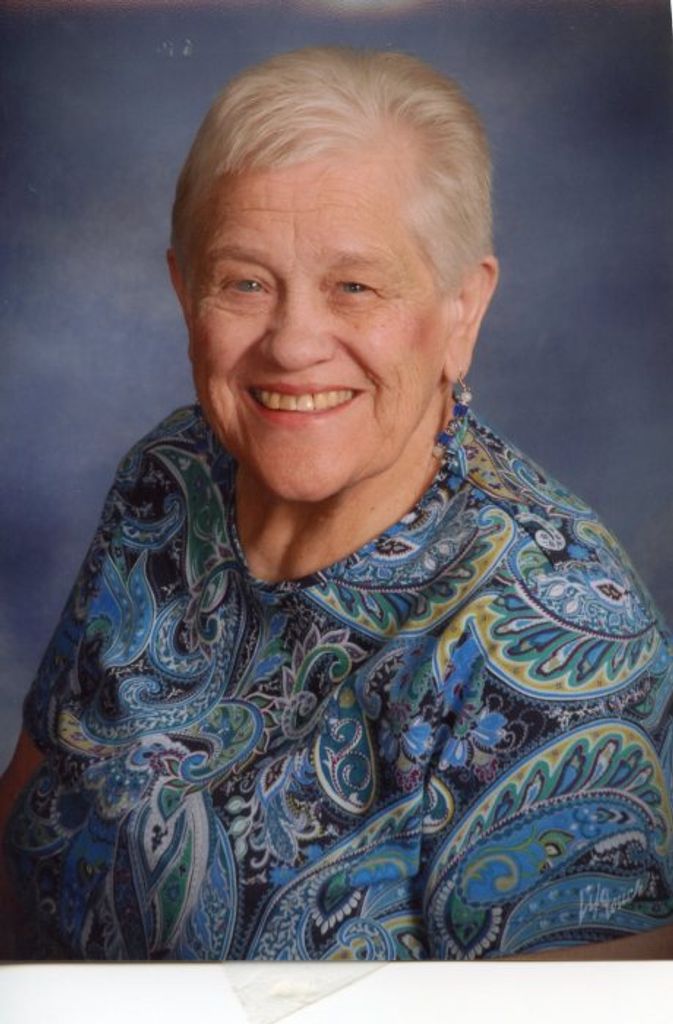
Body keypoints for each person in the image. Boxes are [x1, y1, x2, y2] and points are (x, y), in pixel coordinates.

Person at [1, 46, 672, 962]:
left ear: (461, 310)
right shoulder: (172, 474)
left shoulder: (556, 639)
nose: (292, 343)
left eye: (354, 286)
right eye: (245, 282)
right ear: (184, 291)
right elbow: (27, 809)